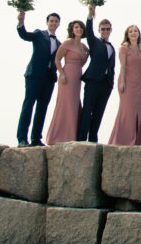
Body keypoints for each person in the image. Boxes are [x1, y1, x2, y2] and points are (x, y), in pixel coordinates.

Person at [15, 10, 61, 147]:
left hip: (49, 79)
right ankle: (22, 138)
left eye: (56, 21)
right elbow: (24, 35)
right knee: (28, 106)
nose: (53, 23)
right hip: (34, 75)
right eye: (51, 21)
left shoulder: (59, 43)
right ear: (47, 23)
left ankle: (36, 138)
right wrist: (21, 22)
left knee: (42, 108)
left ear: (59, 24)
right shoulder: (39, 34)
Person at [46, 20, 89, 145]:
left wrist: (87, 54)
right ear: (72, 29)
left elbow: (83, 60)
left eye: (81, 27)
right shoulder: (67, 42)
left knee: (75, 103)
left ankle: (72, 135)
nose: (79, 29)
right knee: (66, 103)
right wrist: (62, 74)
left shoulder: (82, 46)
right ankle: (58, 136)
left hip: (78, 75)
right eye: (76, 27)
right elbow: (57, 59)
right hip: (67, 75)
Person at [77, 6, 116, 143]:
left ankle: (93, 138)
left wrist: (111, 83)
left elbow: (112, 67)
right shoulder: (94, 42)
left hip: (106, 84)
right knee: (88, 110)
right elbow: (88, 29)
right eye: (103, 29)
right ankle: (81, 138)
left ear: (111, 30)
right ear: (99, 30)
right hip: (93, 80)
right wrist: (90, 14)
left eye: (108, 29)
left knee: (99, 112)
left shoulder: (112, 47)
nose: (105, 31)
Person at [108, 25, 141, 145]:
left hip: (139, 83)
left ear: (139, 33)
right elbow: (122, 66)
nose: (133, 33)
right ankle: (123, 139)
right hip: (127, 82)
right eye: (131, 32)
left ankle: (136, 140)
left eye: (135, 31)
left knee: (137, 110)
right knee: (127, 110)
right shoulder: (124, 48)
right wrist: (122, 82)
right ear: (127, 34)